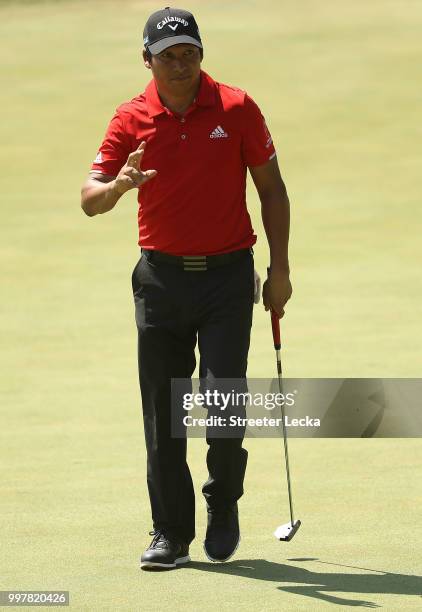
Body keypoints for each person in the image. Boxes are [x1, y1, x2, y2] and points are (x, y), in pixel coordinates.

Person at [80, 6, 292, 570]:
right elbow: (89, 198)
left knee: (223, 404)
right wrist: (120, 185)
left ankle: (223, 504)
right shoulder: (131, 118)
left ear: (202, 54)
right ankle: (170, 533)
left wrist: (281, 269)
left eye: (189, 54)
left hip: (227, 275)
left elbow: (272, 189)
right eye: (168, 56)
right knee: (163, 412)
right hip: (160, 280)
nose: (181, 66)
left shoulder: (236, 107)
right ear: (146, 59)